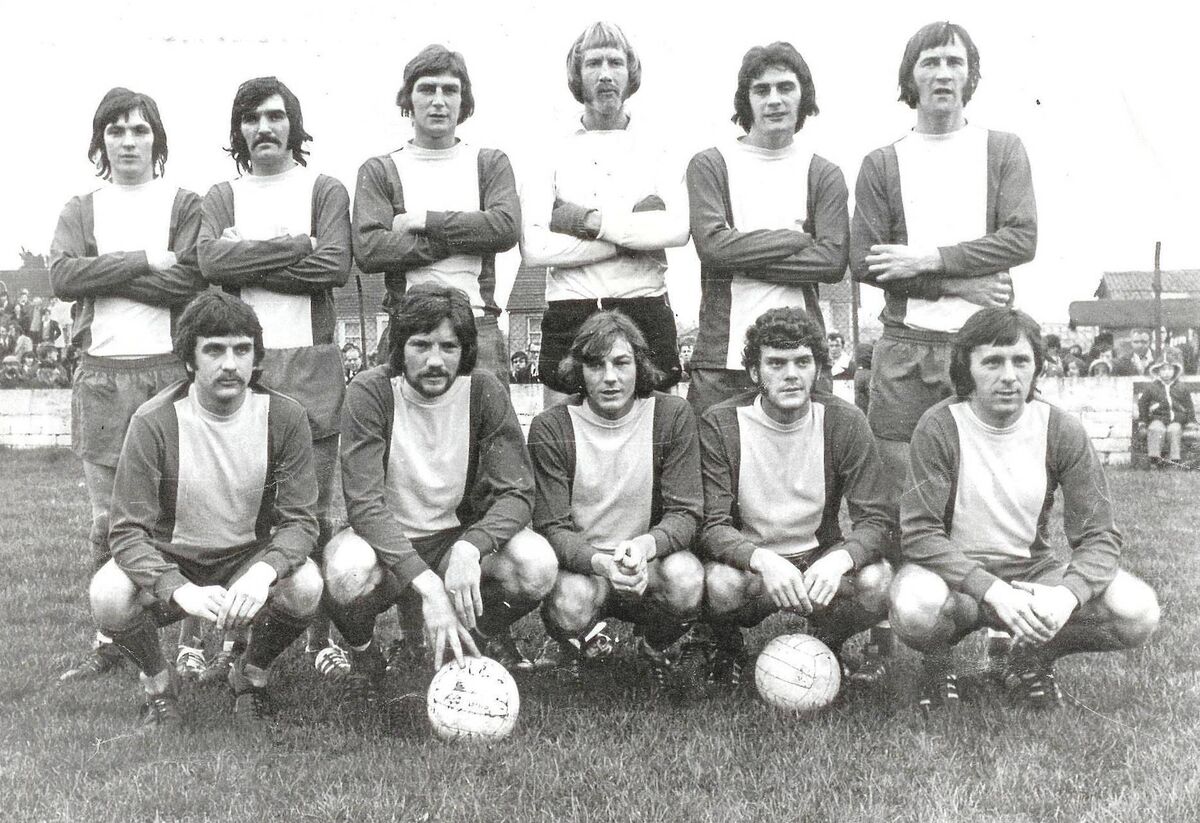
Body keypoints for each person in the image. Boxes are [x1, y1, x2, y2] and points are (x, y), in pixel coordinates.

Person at [891, 308, 1159, 713]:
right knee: (914, 604)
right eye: (992, 362)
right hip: (955, 581)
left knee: (1137, 611)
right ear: (966, 366)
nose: (1009, 376)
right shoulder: (939, 425)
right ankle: (937, 661)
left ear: (1037, 367)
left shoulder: (1060, 429)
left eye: (1021, 361)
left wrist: (1067, 596)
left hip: (1030, 577)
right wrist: (991, 590)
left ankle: (1030, 657)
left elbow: (1099, 535)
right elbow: (919, 533)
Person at [89, 292, 323, 730]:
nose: (230, 364)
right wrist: (178, 589)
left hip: (245, 558)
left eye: (242, 349)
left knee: (306, 584)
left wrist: (263, 571)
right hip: (175, 558)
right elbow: (126, 532)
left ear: (257, 356)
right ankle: (159, 688)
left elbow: (300, 522)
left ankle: (250, 677)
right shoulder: (153, 420)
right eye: (214, 350)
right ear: (190, 360)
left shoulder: (286, 417)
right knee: (107, 594)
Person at [323, 285, 557, 699]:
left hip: (453, 542)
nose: (435, 360)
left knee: (535, 565)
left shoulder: (483, 390)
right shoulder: (371, 390)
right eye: (421, 345)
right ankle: (365, 654)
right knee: (347, 572)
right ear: (399, 345)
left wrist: (472, 547)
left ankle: (473, 638)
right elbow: (364, 505)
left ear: (466, 350)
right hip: (386, 544)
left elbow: (517, 493)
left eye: (449, 346)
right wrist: (429, 587)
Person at [197, 76, 352, 681]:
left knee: (313, 514)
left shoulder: (324, 188)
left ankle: (319, 636)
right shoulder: (221, 194)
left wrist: (250, 255)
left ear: (294, 125)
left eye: (276, 116)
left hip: (310, 366)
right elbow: (212, 263)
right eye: (252, 118)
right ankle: (233, 641)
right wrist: (293, 246)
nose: (264, 128)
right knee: (240, 516)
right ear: (238, 130)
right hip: (244, 369)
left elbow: (333, 264)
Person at [50, 87, 205, 682]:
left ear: (157, 140)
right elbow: (64, 275)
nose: (128, 141)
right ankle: (109, 637)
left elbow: (190, 282)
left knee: (182, 515)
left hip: (169, 372)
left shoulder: (183, 202)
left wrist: (105, 272)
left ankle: (192, 639)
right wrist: (144, 258)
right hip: (103, 378)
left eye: (140, 130)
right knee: (105, 521)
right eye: (116, 130)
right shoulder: (81, 207)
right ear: (101, 142)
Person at [850, 21, 1036, 512]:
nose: (943, 73)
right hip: (907, 346)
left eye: (955, 62)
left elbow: (1021, 238)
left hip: (983, 345)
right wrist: (957, 283)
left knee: (986, 489)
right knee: (899, 496)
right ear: (910, 77)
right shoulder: (882, 162)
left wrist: (929, 258)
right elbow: (865, 260)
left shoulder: (1002, 149)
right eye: (930, 62)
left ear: (971, 75)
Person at [698, 307, 894, 688]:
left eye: (802, 361)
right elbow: (711, 525)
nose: (791, 374)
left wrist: (841, 558)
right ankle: (727, 645)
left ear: (818, 369)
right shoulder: (721, 423)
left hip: (817, 558)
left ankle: (827, 640)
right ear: (755, 373)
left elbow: (877, 519)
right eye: (776, 363)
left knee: (879, 580)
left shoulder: (844, 420)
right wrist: (761, 560)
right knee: (718, 583)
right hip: (754, 566)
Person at [528, 310, 704, 687]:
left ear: (639, 365)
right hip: (585, 567)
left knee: (687, 578)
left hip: (646, 563)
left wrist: (644, 547)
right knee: (568, 602)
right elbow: (551, 526)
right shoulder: (551, 426)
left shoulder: (671, 414)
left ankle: (654, 645)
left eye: (621, 363)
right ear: (579, 371)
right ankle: (578, 645)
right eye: (595, 365)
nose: (610, 377)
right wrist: (602, 564)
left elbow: (686, 513)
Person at [520, 21, 688, 405]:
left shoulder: (662, 148)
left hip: (645, 304)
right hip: (571, 307)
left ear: (631, 74)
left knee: (658, 434)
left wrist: (588, 223)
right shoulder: (548, 150)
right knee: (562, 437)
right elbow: (535, 248)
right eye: (594, 63)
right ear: (577, 75)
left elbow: (677, 230)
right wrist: (629, 240)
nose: (606, 74)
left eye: (616, 62)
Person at [686, 42, 847, 414]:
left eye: (785, 87)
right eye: (761, 90)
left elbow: (831, 262)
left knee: (810, 467)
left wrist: (738, 256)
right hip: (722, 359)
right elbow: (713, 249)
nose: (774, 100)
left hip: (802, 359)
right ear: (746, 100)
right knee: (718, 468)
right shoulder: (711, 164)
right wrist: (795, 240)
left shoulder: (823, 172)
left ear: (803, 94)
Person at [353, 45, 520, 386]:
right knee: (402, 436)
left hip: (477, 327)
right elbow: (370, 250)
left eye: (450, 90)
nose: (439, 100)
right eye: (427, 89)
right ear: (408, 100)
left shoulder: (489, 163)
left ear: (464, 101)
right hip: (408, 328)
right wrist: (466, 235)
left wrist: (425, 221)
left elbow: (504, 229)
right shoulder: (381, 169)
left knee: (484, 436)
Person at [1138, 357, 1195, 467]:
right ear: (1158, 371)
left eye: (1169, 369)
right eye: (1163, 370)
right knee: (1155, 429)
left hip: (1176, 419)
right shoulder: (1152, 387)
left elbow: (1189, 405)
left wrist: (1191, 420)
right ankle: (1154, 459)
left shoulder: (1181, 387)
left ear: (1174, 371)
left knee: (1174, 430)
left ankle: (1174, 460)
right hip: (1158, 418)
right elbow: (1142, 404)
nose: (1166, 373)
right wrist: (1143, 421)